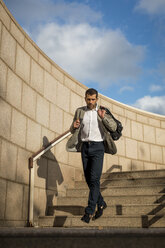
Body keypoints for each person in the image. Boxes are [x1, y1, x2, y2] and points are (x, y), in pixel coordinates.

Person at [66, 88, 117, 223]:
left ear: (97, 99)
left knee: (94, 179)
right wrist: (74, 126)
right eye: (88, 99)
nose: (91, 102)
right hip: (85, 148)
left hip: (98, 147)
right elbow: (72, 129)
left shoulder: (102, 111)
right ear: (85, 99)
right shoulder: (80, 111)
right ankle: (101, 203)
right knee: (89, 180)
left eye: (93, 99)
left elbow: (113, 128)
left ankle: (89, 211)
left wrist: (103, 117)